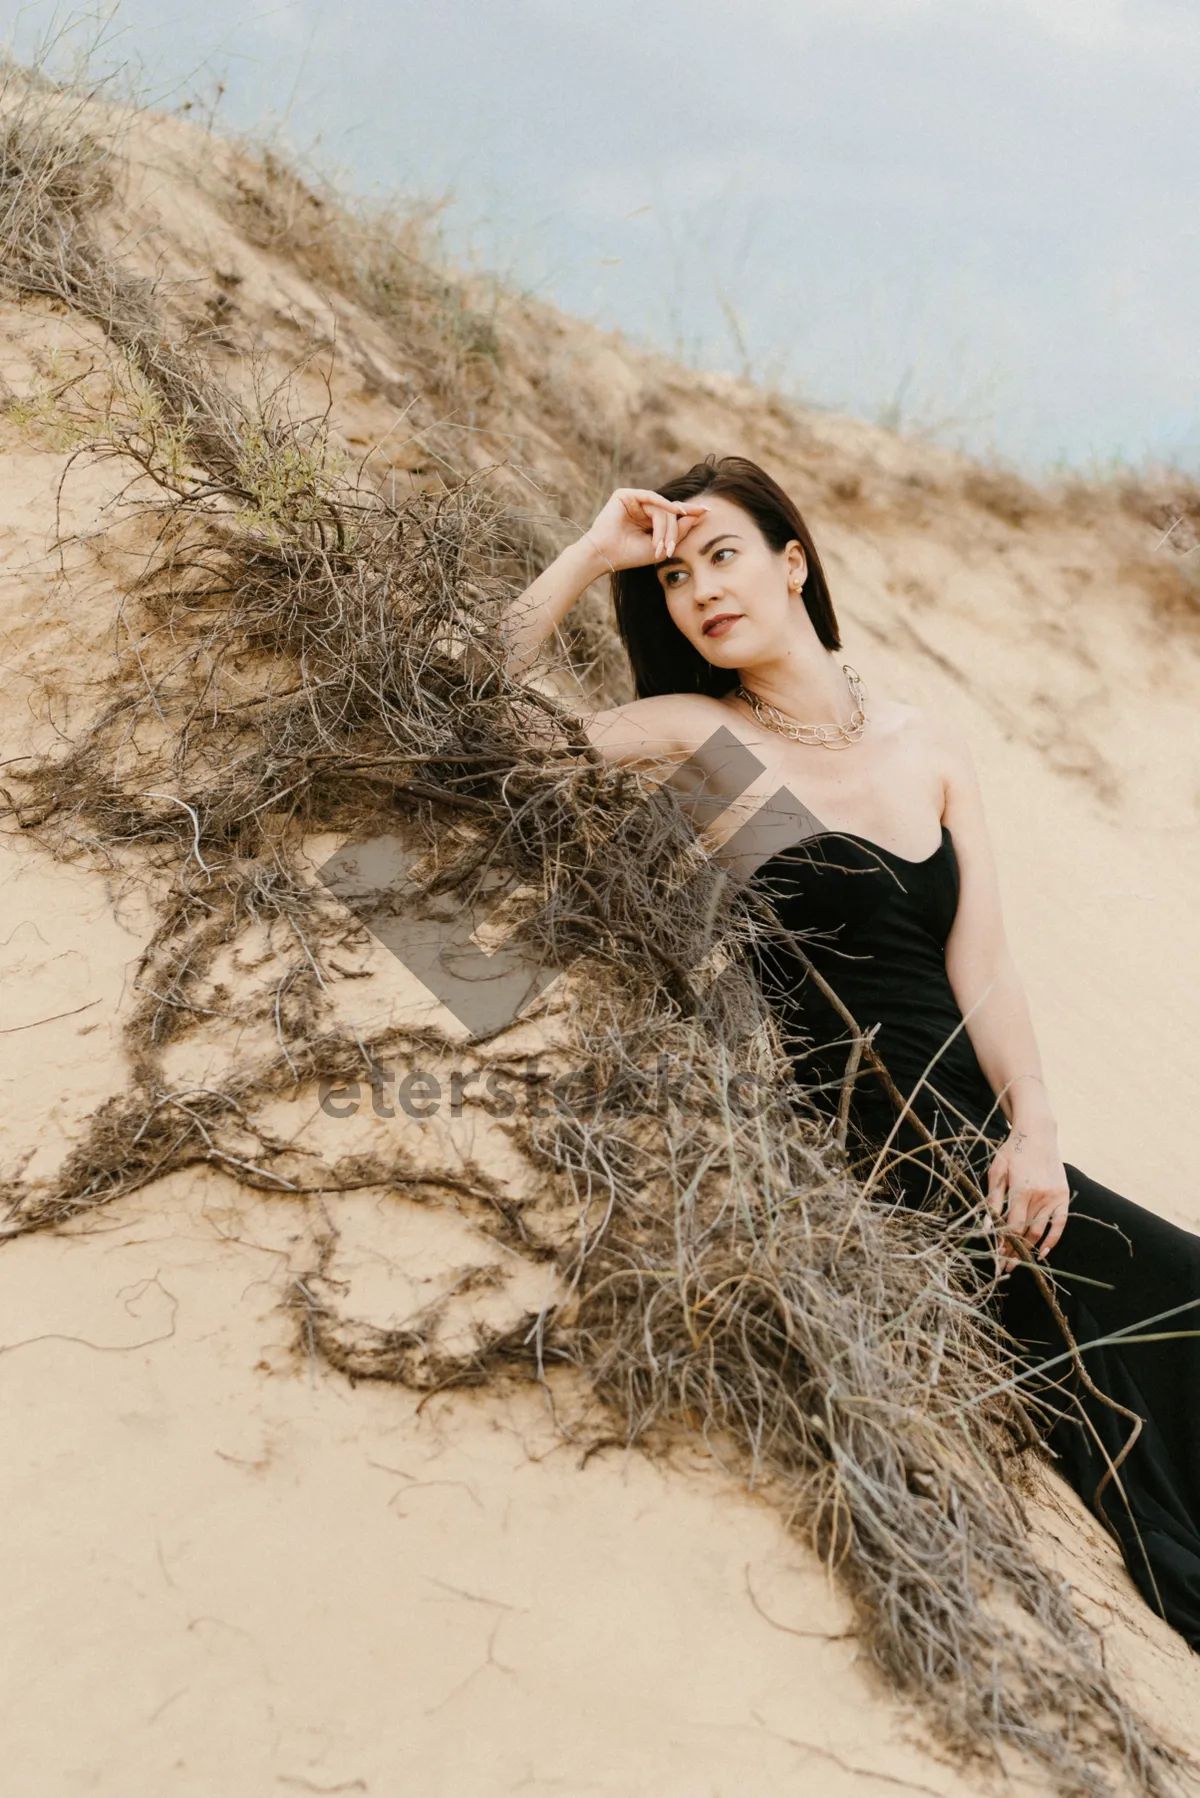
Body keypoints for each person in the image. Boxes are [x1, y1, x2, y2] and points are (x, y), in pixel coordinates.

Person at [499, 453, 1200, 1649]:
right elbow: (483, 703)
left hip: (996, 1152)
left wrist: (1036, 1128)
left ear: (792, 561)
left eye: (722, 555)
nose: (699, 590)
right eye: (671, 577)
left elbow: (986, 965)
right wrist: (593, 549)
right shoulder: (700, 739)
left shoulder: (926, 743)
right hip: (873, 1148)